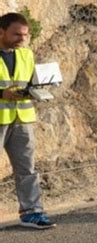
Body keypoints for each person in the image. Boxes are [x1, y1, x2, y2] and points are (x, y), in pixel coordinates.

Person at [0, 12, 56, 228]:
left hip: (22, 118)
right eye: (16, 34)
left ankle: (32, 213)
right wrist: (2, 93)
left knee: (27, 169)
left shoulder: (26, 54)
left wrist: (37, 90)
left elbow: (29, 83)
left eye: (24, 34)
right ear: (1, 31)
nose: (22, 38)